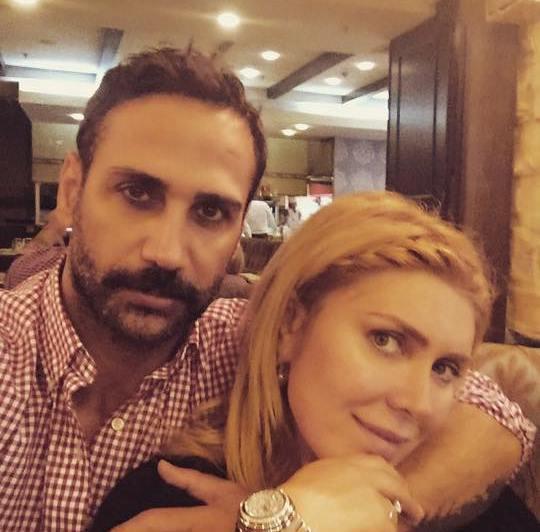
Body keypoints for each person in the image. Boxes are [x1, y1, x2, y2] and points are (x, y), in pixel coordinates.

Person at [90, 192, 537, 532]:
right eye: (385, 341)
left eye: (445, 369)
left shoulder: (475, 507)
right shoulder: (173, 500)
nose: (417, 403)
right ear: (290, 326)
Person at [0, 46, 267, 531]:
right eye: (137, 193)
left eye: (210, 212)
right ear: (72, 190)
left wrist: (284, 516)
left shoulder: (254, 354)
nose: (167, 252)